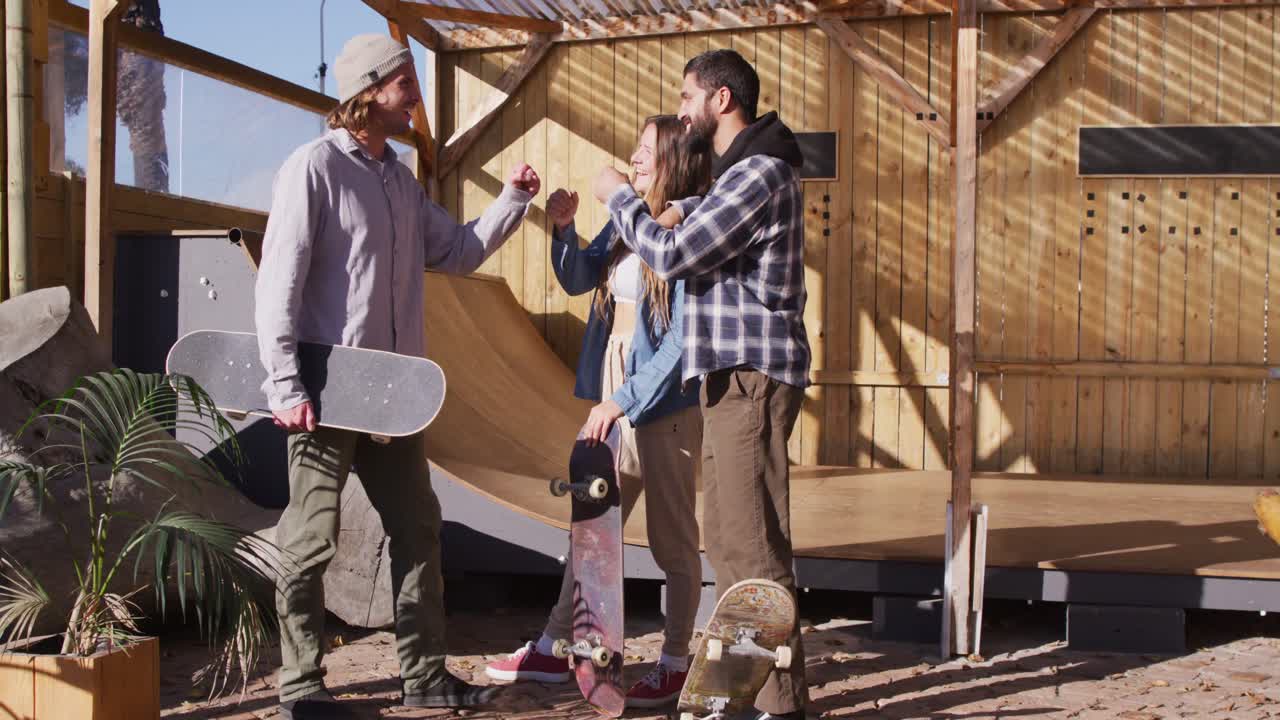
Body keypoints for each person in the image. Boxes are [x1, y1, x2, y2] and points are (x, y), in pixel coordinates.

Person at [255, 33, 540, 720]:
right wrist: (285, 386)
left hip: (394, 396)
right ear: (367, 93)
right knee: (309, 539)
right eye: (405, 84)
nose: (415, 96)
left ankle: (424, 677)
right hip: (323, 394)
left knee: (419, 532)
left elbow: (461, 249)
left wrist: (512, 200)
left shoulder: (401, 182)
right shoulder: (313, 168)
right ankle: (300, 686)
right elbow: (279, 283)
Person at [591, 49, 810, 720]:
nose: (680, 108)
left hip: (751, 376)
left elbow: (677, 256)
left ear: (721, 101)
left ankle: (776, 705)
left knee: (750, 546)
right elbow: (701, 215)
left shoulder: (759, 172)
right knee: (733, 539)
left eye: (687, 96)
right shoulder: (737, 176)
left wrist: (619, 199)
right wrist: (679, 206)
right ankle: (739, 698)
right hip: (727, 380)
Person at [484, 115, 709, 708]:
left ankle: (677, 660)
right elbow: (580, 277)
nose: (633, 162)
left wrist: (622, 400)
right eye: (633, 152)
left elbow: (683, 343)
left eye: (645, 153)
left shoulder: (686, 224)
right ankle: (555, 648)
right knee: (591, 535)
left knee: (673, 543)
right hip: (615, 393)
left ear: (675, 163)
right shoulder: (626, 220)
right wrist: (562, 227)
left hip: (661, 400)